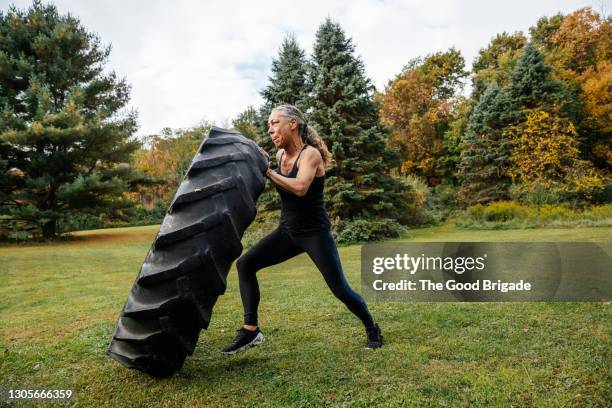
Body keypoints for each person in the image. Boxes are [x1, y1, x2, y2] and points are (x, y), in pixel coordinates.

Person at [221, 104, 382, 355]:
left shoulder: (310, 155)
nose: (270, 129)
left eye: (274, 123)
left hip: (314, 234)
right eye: (268, 126)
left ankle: (372, 328)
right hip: (287, 233)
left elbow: (299, 187)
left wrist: (268, 172)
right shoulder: (279, 157)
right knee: (246, 265)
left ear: (292, 124)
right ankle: (251, 329)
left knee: (340, 289)